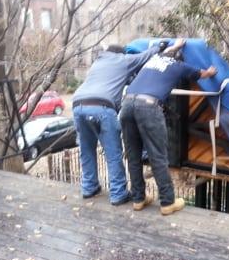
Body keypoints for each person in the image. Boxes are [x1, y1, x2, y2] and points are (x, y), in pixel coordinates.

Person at [120, 39, 217, 215]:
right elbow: (202, 74)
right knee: (158, 156)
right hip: (148, 107)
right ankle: (167, 203)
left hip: (126, 104)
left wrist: (176, 45)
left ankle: (138, 199)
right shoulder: (178, 66)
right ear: (179, 59)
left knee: (133, 155)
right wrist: (211, 71)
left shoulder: (153, 60)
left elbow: (168, 53)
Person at [72, 42, 165, 205]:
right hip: (102, 107)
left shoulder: (98, 63)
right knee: (113, 153)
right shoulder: (123, 60)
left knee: (86, 150)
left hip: (78, 105)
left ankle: (89, 187)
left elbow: (120, 79)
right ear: (122, 54)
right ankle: (118, 193)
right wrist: (160, 46)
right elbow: (145, 56)